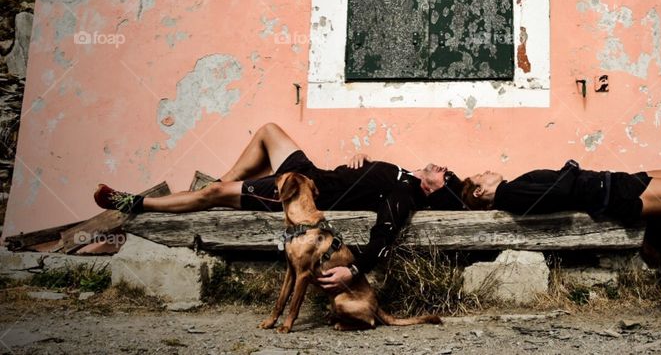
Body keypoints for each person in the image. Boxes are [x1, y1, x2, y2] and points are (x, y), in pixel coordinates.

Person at [94, 122, 465, 293]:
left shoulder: (404, 195)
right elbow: (367, 177)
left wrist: (352, 271)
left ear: (433, 192)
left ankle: (139, 203)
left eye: (447, 178)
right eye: (448, 170)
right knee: (269, 130)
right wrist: (363, 158)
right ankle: (217, 186)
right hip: (310, 171)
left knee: (214, 195)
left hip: (300, 192)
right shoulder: (401, 172)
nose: (444, 169)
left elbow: (383, 236)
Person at [460, 160, 661, 308]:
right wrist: (571, 168)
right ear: (479, 191)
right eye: (481, 175)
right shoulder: (510, 193)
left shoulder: (512, 189)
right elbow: (560, 192)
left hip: (609, 183)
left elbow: (557, 190)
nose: (486, 171)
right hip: (610, 194)